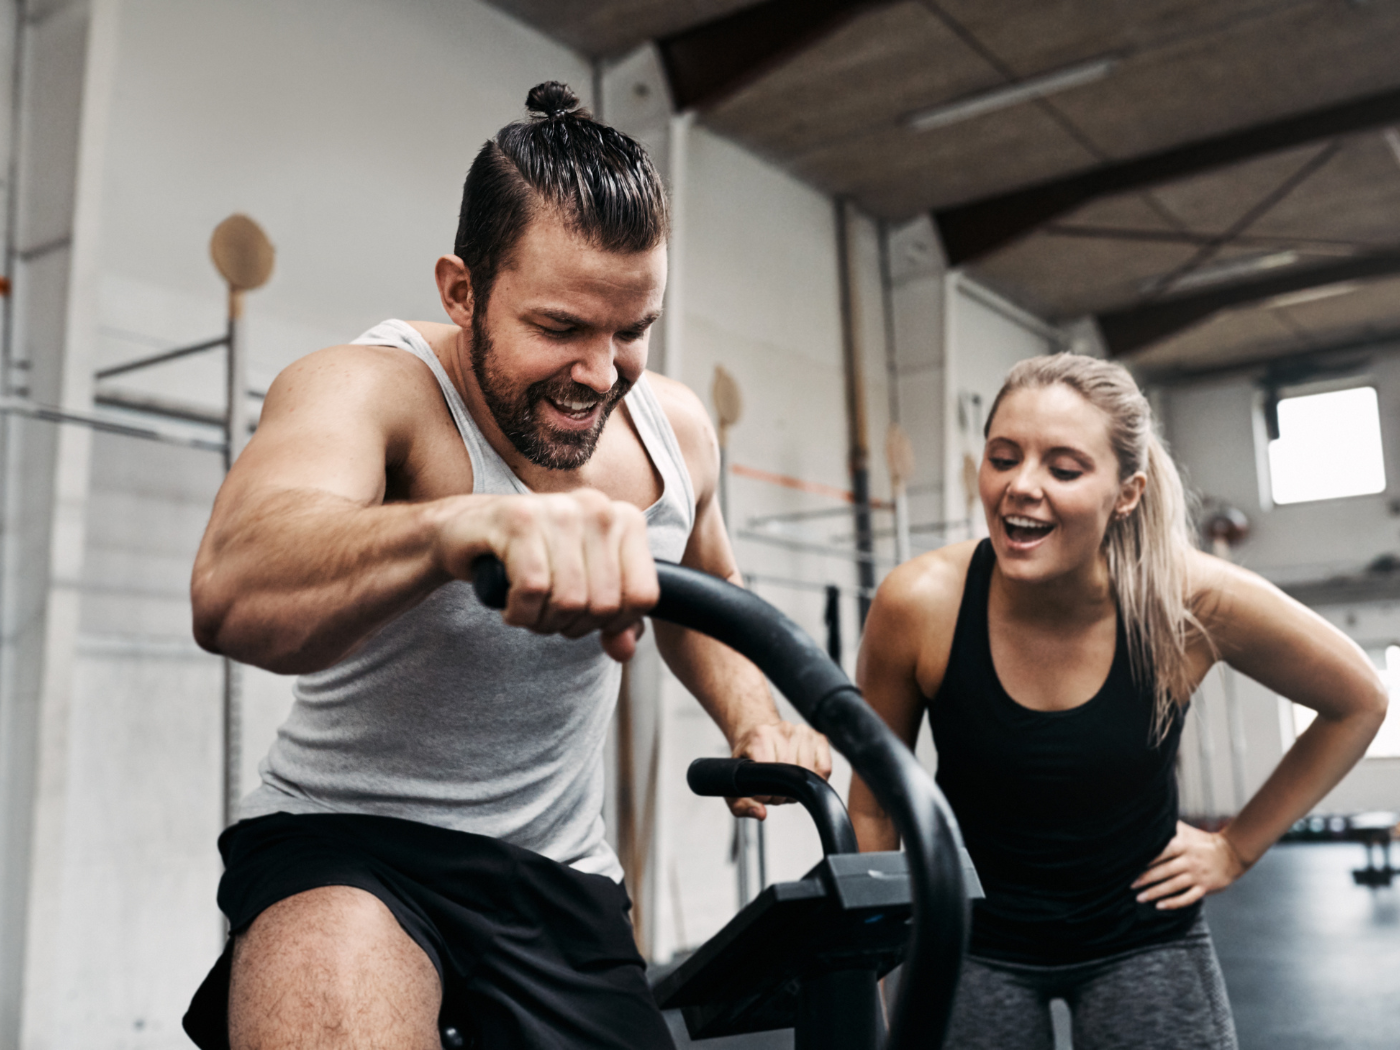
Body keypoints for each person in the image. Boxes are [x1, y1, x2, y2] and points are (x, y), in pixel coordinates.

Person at [182, 82, 830, 1050]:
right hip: (346, 841)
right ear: (460, 289)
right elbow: (235, 582)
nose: (599, 374)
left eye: (631, 332)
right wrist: (458, 528)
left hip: (557, 874)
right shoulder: (370, 389)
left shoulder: (673, 431)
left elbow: (703, 592)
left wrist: (753, 720)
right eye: (560, 328)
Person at [849, 353, 1387, 1050]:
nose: (1021, 487)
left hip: (1145, 940)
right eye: (1003, 458)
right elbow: (872, 799)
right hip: (971, 942)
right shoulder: (919, 602)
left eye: (1063, 469)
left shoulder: (1187, 601)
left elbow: (1360, 700)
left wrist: (1237, 849)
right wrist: (879, 960)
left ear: (1126, 492)